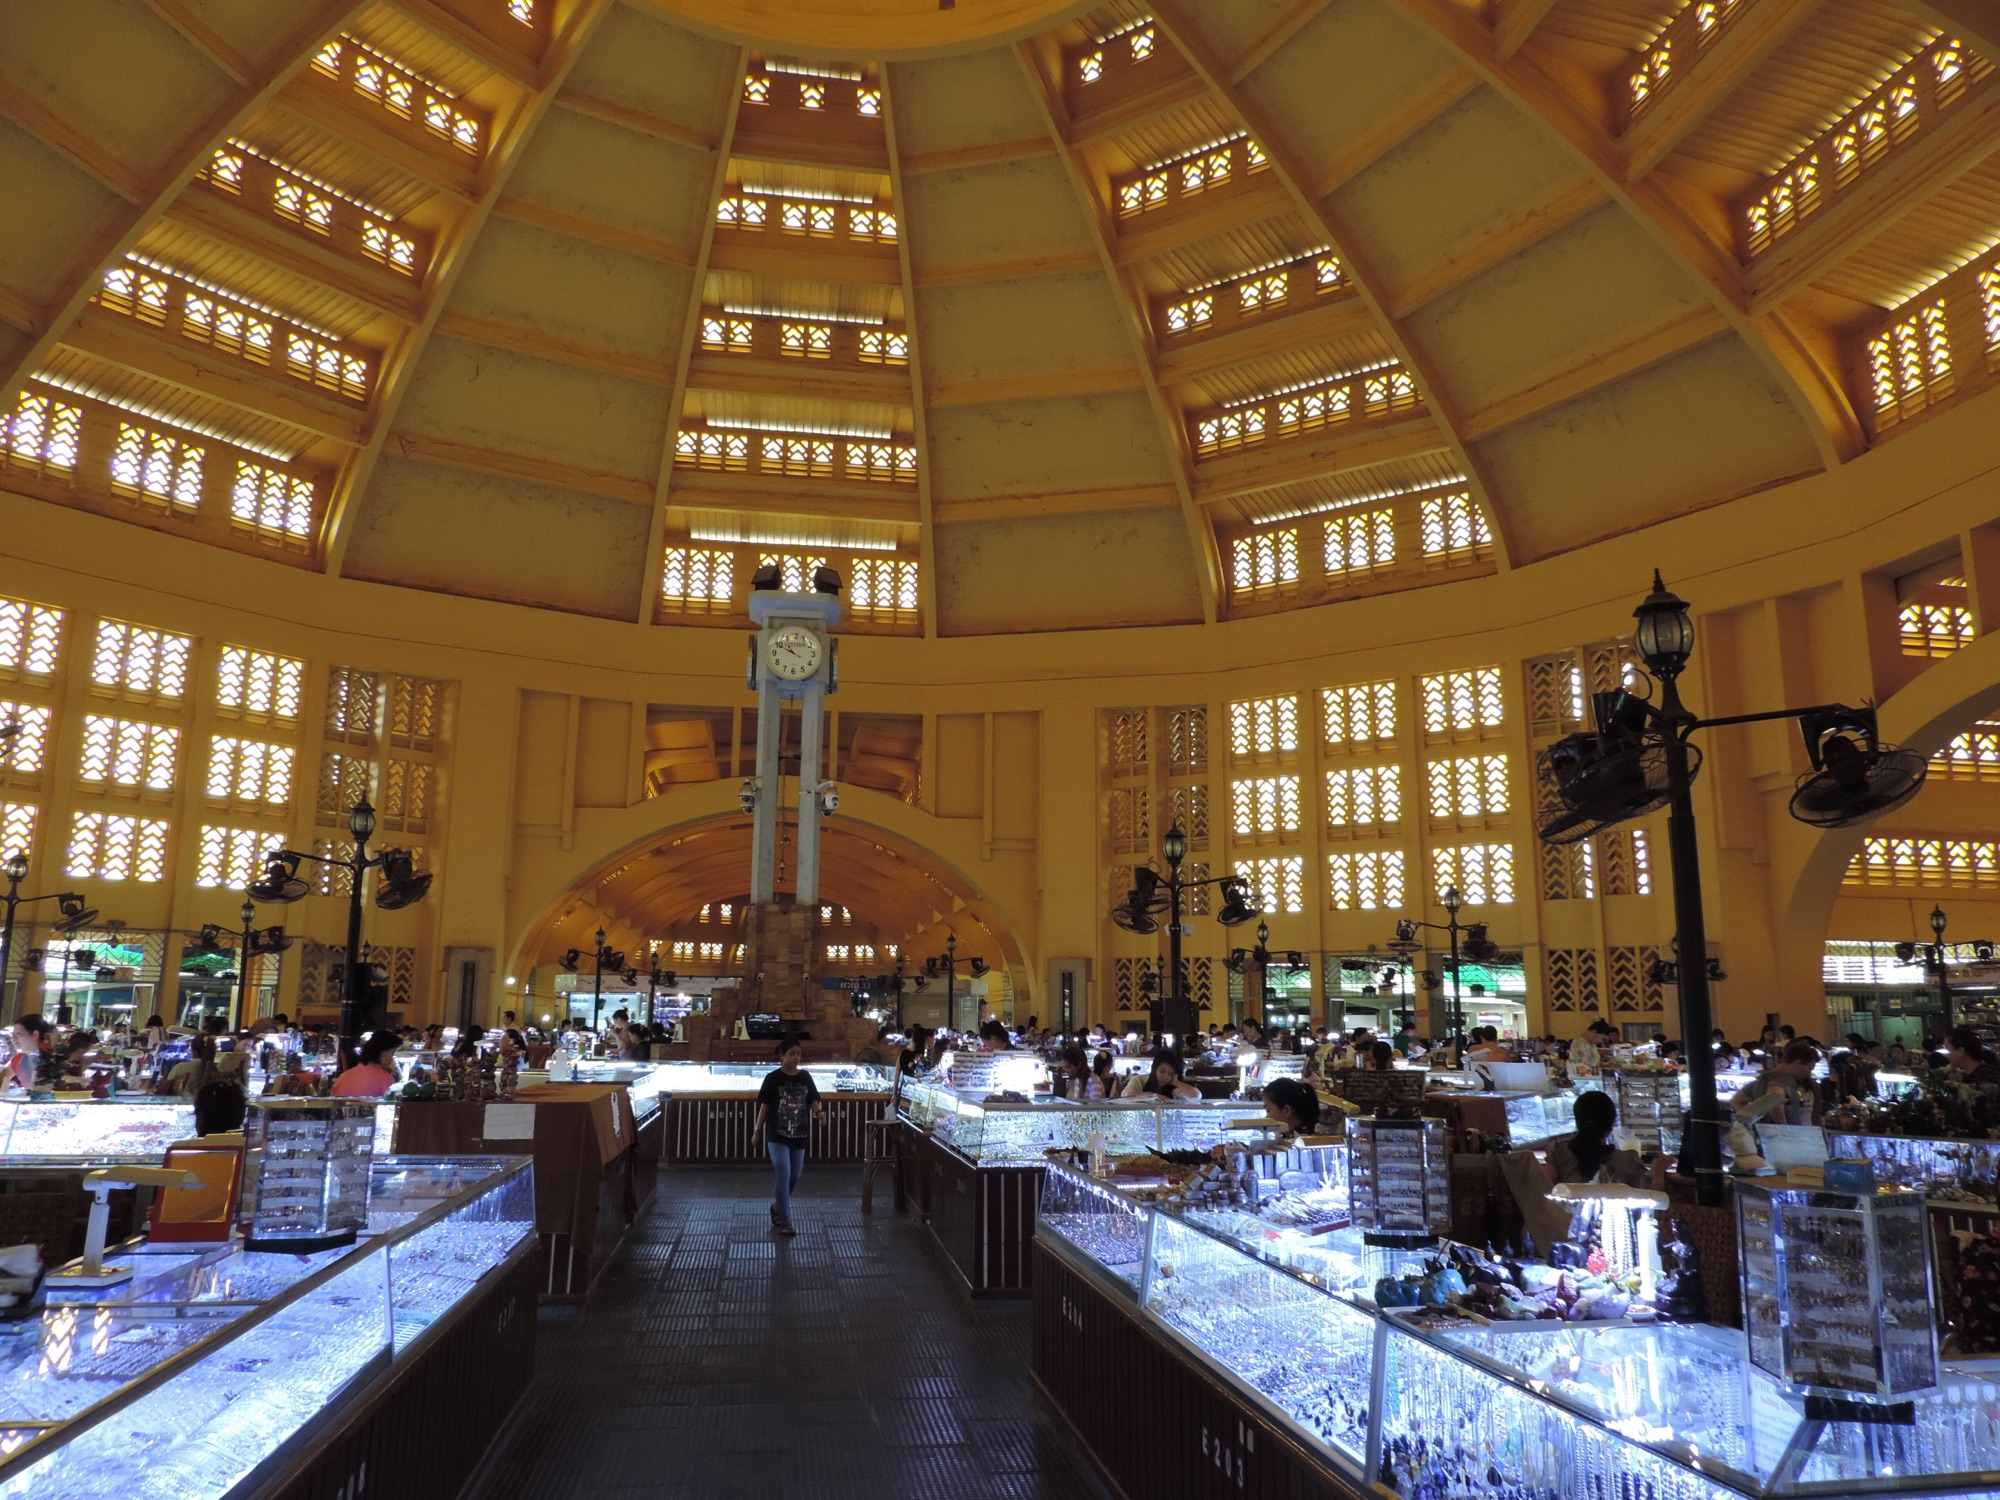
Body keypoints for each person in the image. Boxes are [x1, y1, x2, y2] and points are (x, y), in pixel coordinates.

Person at [755, 1041, 825, 1236]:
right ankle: (787, 1220)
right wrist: (757, 1129)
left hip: (800, 1133)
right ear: (782, 1056)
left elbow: (812, 1098)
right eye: (792, 1054)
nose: (795, 1058)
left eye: (798, 1054)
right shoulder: (772, 1078)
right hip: (777, 1134)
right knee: (784, 1172)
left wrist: (819, 1112)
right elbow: (766, 1106)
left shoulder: (805, 1076)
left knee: (795, 1176)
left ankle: (777, 1206)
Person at [1547, 1091, 1644, 1186]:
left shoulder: (1558, 1155)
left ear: (1577, 1122)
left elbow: (1545, 1190)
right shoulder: (1628, 1162)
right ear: (1610, 1126)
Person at [1732, 1039, 1820, 1124]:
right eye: (1809, 1069)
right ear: (1798, 1064)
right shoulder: (1785, 1078)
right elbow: (1775, 1099)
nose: (1808, 1074)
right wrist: (1783, 1129)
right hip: (1783, 1136)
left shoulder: (1763, 1078)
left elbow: (1737, 1100)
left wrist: (1750, 1123)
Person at [332, 1031, 402, 1096]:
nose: (393, 1057)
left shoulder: (343, 1076)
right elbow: (391, 1106)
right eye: (392, 1052)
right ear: (383, 1052)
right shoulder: (385, 1078)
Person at [1124, 1049, 1200, 1100]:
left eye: (1170, 1073)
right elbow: (1125, 1095)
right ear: (1154, 1068)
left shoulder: (1173, 1088)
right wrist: (1151, 1096)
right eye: (1162, 1071)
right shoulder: (1140, 1080)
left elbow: (1196, 1096)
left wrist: (1176, 1082)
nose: (1166, 1077)